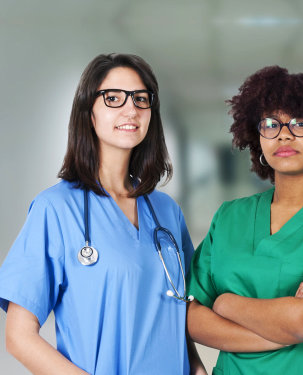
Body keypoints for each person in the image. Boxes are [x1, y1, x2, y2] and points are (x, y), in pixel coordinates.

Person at [0, 53, 206, 375]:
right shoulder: (55, 209)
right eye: (113, 98)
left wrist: (197, 369)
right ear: (89, 114)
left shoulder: (167, 211)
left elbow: (180, 311)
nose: (131, 109)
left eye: (141, 99)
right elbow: (19, 337)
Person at [187, 66, 303, 374]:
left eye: (301, 122)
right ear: (258, 138)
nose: (285, 134)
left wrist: (225, 304)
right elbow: (192, 318)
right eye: (270, 124)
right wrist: (281, 331)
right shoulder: (229, 216)